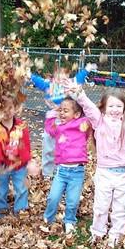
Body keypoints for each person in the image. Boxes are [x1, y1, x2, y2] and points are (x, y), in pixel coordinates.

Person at [67, 64, 125, 248]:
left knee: (120, 207)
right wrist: (78, 92)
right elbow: (87, 106)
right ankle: (97, 232)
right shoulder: (99, 120)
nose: (115, 109)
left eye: (119, 106)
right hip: (104, 172)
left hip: (123, 173)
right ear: (104, 107)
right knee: (101, 206)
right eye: (111, 105)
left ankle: (116, 234)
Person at [29, 63, 96, 179]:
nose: (61, 80)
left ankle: (61, 169)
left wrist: (87, 69)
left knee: (65, 146)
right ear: (54, 78)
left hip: (68, 122)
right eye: (58, 77)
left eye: (64, 77)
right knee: (49, 147)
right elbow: (38, 81)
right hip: (53, 121)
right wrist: (29, 75)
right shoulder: (49, 86)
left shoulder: (70, 85)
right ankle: (47, 173)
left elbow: (79, 78)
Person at [43, 97, 91, 234]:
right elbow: (49, 128)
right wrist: (53, 113)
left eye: (66, 111)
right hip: (61, 171)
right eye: (61, 111)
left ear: (76, 114)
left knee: (73, 200)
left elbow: (91, 118)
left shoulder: (82, 124)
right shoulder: (59, 129)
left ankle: (69, 221)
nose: (62, 113)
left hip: (77, 171)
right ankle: (48, 218)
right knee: (53, 197)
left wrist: (81, 100)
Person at [0, 96, 33, 218]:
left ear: (15, 108)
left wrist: (27, 160)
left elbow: (25, 145)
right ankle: (0, 211)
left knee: (21, 188)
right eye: (2, 109)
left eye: (10, 108)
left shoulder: (21, 126)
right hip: (2, 165)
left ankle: (21, 210)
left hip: (18, 165)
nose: (6, 112)